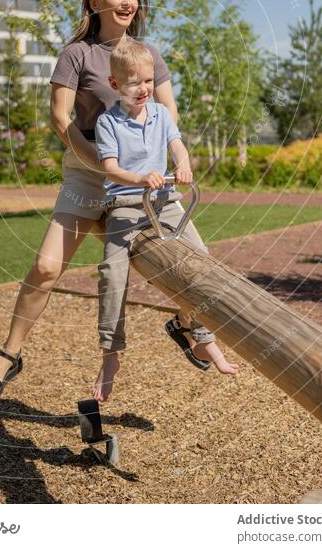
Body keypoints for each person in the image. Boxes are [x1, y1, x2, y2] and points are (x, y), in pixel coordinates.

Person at [0, 0, 179, 402]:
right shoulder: (77, 55)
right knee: (47, 267)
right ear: (94, 2)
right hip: (88, 172)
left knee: (170, 258)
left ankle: (185, 324)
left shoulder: (147, 53)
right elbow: (60, 118)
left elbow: (169, 114)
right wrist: (99, 164)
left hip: (141, 178)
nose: (127, 2)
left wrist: (158, 160)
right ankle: (9, 355)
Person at [92, 40, 239, 402]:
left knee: (201, 260)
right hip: (127, 204)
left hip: (165, 202)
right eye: (132, 83)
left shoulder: (159, 113)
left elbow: (176, 145)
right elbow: (110, 167)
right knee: (113, 272)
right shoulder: (107, 121)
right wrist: (139, 178)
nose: (142, 89)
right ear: (115, 86)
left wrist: (183, 165)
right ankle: (111, 354)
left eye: (147, 81)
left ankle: (201, 335)